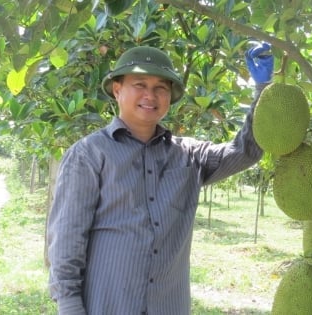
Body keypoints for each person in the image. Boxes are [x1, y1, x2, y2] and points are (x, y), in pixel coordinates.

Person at [47, 43, 273, 315]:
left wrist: (263, 90)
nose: (150, 95)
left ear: (169, 98)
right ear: (117, 90)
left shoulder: (189, 155)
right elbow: (67, 238)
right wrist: (69, 306)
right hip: (108, 306)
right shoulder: (88, 155)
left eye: (160, 88)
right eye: (139, 84)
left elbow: (245, 152)